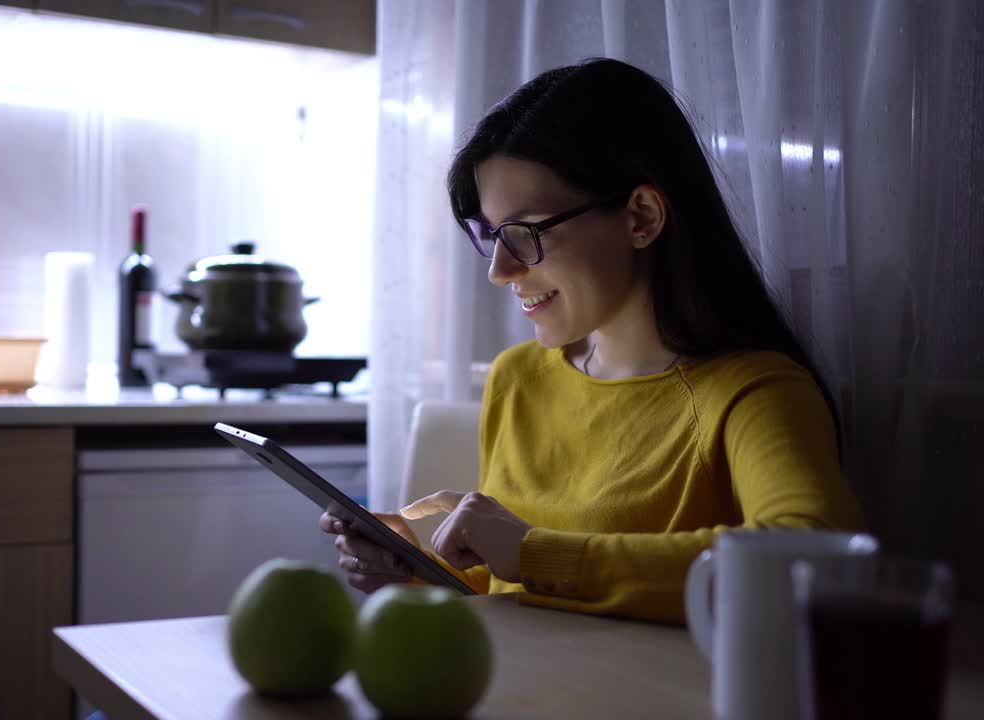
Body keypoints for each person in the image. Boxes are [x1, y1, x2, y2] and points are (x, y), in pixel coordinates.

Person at [322, 57, 865, 623]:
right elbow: (508, 592)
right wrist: (409, 573)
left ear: (642, 217)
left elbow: (814, 560)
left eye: (526, 232)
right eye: (492, 235)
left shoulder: (755, 392)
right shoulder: (518, 378)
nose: (500, 270)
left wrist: (535, 551)